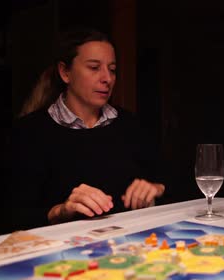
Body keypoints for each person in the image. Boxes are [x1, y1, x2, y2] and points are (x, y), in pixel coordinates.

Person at [11, 27, 166, 228]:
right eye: (94, 67)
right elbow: (11, 215)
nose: (107, 78)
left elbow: (172, 180)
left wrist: (157, 188)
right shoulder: (28, 132)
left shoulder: (131, 125)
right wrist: (61, 210)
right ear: (65, 72)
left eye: (112, 69)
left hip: (131, 246)